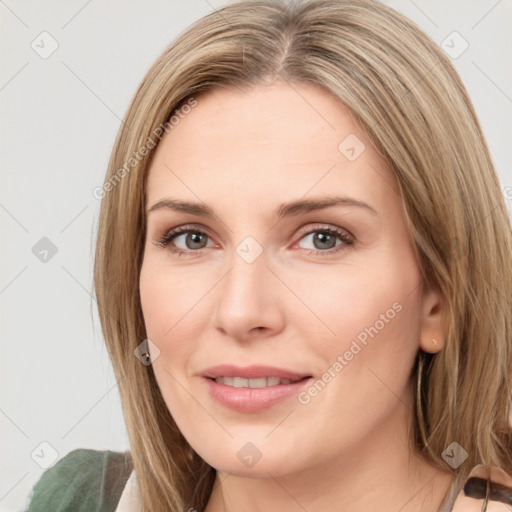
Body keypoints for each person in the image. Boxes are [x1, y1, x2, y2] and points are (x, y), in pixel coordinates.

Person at [24, 0, 512, 511]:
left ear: (440, 296)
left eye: (322, 238)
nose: (240, 312)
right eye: (192, 238)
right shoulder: (78, 499)